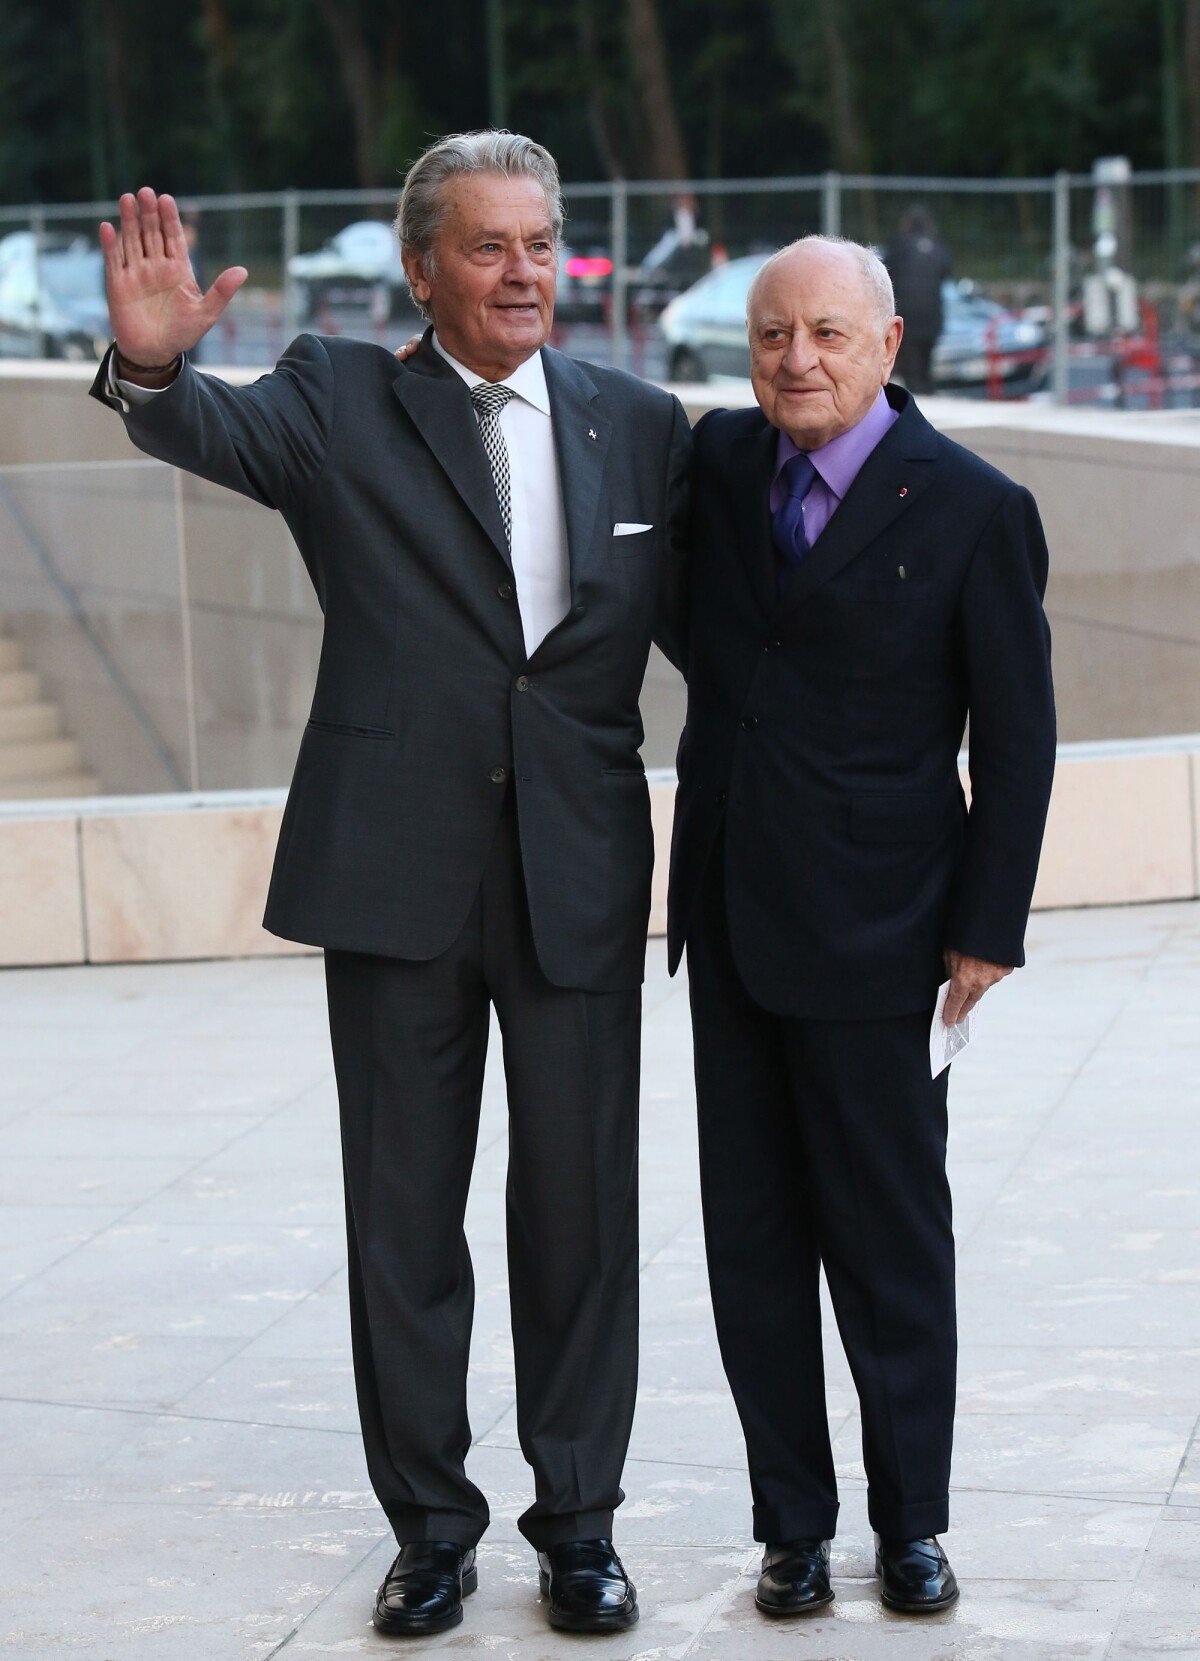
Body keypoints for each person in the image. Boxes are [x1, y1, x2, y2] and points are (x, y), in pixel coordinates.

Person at [91, 131, 691, 1638]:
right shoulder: (339, 398)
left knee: (580, 1220)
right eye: (489, 247)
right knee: (405, 1223)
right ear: (423, 268)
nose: (525, 273)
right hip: (395, 872)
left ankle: (580, 1528)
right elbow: (204, 433)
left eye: (543, 243)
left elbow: (735, 631)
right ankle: (431, 1530)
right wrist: (152, 372)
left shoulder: (641, 421)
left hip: (575, 877)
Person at [667, 236, 1055, 1617]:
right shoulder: (718, 467)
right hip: (728, 918)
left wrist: (985, 927)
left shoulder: (972, 508)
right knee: (752, 1241)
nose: (798, 359)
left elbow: (1018, 738)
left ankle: (913, 1525)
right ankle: (791, 1525)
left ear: (891, 342)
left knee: (890, 1245)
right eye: (775, 334)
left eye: (829, 333)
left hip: (887, 934)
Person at [883, 208, 952, 394]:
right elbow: (946, 273)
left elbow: (885, 275)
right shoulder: (938, 248)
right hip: (932, 314)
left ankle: (916, 397)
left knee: (910, 362)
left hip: (908, 314)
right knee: (926, 361)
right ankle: (928, 391)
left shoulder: (899, 246)